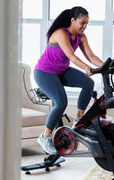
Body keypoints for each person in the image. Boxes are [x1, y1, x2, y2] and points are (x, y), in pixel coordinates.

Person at [34, 6, 104, 154]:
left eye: (87, 23)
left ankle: (78, 120)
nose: (84, 27)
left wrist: (108, 66)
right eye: (82, 23)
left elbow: (91, 57)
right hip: (44, 73)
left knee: (88, 83)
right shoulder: (60, 33)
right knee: (61, 103)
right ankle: (45, 136)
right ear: (73, 20)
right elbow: (71, 56)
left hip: (61, 71)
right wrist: (86, 68)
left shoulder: (81, 37)